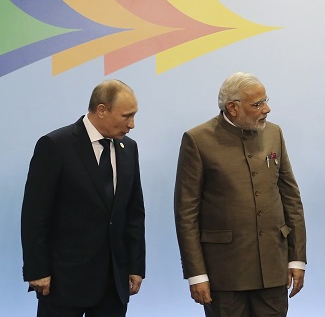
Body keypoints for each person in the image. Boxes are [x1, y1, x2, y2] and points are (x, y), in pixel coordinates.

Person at [174, 72, 307, 317]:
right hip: (224, 274)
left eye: (265, 100)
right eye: (257, 104)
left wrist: (297, 259)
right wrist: (197, 274)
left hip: (273, 269)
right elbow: (186, 214)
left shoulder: (274, 133)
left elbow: (291, 198)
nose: (266, 109)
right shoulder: (197, 140)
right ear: (232, 108)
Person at [21, 79, 146, 316]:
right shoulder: (55, 145)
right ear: (101, 110)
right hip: (63, 282)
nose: (132, 124)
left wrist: (135, 266)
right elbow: (35, 215)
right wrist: (37, 270)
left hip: (114, 284)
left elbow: (134, 212)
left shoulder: (129, 149)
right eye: (126, 116)